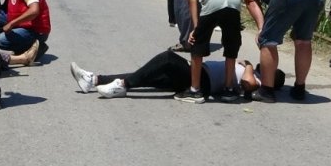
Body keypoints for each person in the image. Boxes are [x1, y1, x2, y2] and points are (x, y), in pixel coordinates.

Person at [233, 0, 323, 103]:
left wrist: (262, 28)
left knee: (268, 41)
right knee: (303, 41)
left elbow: (250, 0)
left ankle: (266, 91)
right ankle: (300, 88)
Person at [70, 51, 284, 101]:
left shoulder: (255, 80)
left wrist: (247, 66)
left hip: (204, 81)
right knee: (149, 75)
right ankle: (94, 80)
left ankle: (122, 84)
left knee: (168, 59)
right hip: (199, 73)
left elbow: (246, 83)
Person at [174, 0, 242, 103]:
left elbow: (192, 1)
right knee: (231, 46)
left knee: (197, 46)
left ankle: (195, 91)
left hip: (213, 2)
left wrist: (195, 29)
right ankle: (229, 90)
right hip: (234, 2)